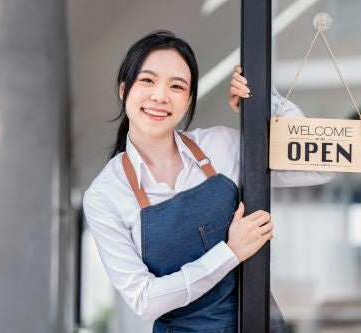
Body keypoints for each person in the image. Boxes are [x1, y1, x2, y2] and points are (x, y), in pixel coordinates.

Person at [83, 30, 334, 333]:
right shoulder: (106, 194)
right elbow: (145, 299)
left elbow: (320, 168)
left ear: (188, 101)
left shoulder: (219, 147)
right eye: (147, 80)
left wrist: (261, 106)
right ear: (124, 89)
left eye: (176, 86)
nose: (160, 96)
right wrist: (230, 253)